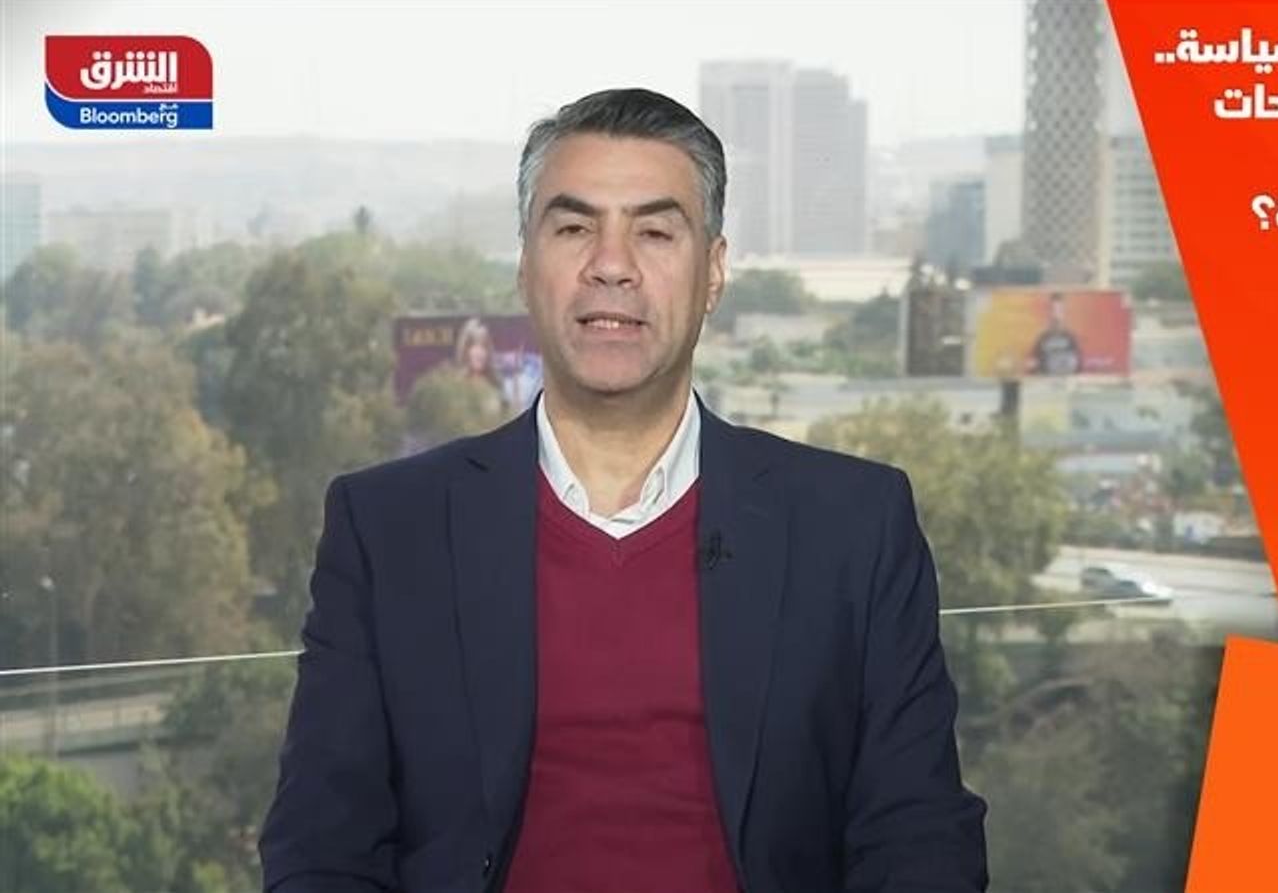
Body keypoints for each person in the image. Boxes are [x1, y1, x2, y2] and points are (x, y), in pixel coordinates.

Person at [259, 88, 988, 893]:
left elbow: (919, 835)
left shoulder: (853, 527)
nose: (612, 265)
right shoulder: (389, 530)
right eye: (574, 229)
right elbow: (321, 847)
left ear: (713, 272)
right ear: (525, 267)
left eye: (654, 231)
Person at [1028, 291, 1081, 376]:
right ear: (1048, 312)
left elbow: (1078, 367)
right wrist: (1034, 367)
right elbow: (1033, 365)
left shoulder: (1071, 338)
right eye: (1053, 310)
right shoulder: (1042, 339)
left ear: (1064, 313)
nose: (1056, 315)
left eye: (1059, 310)